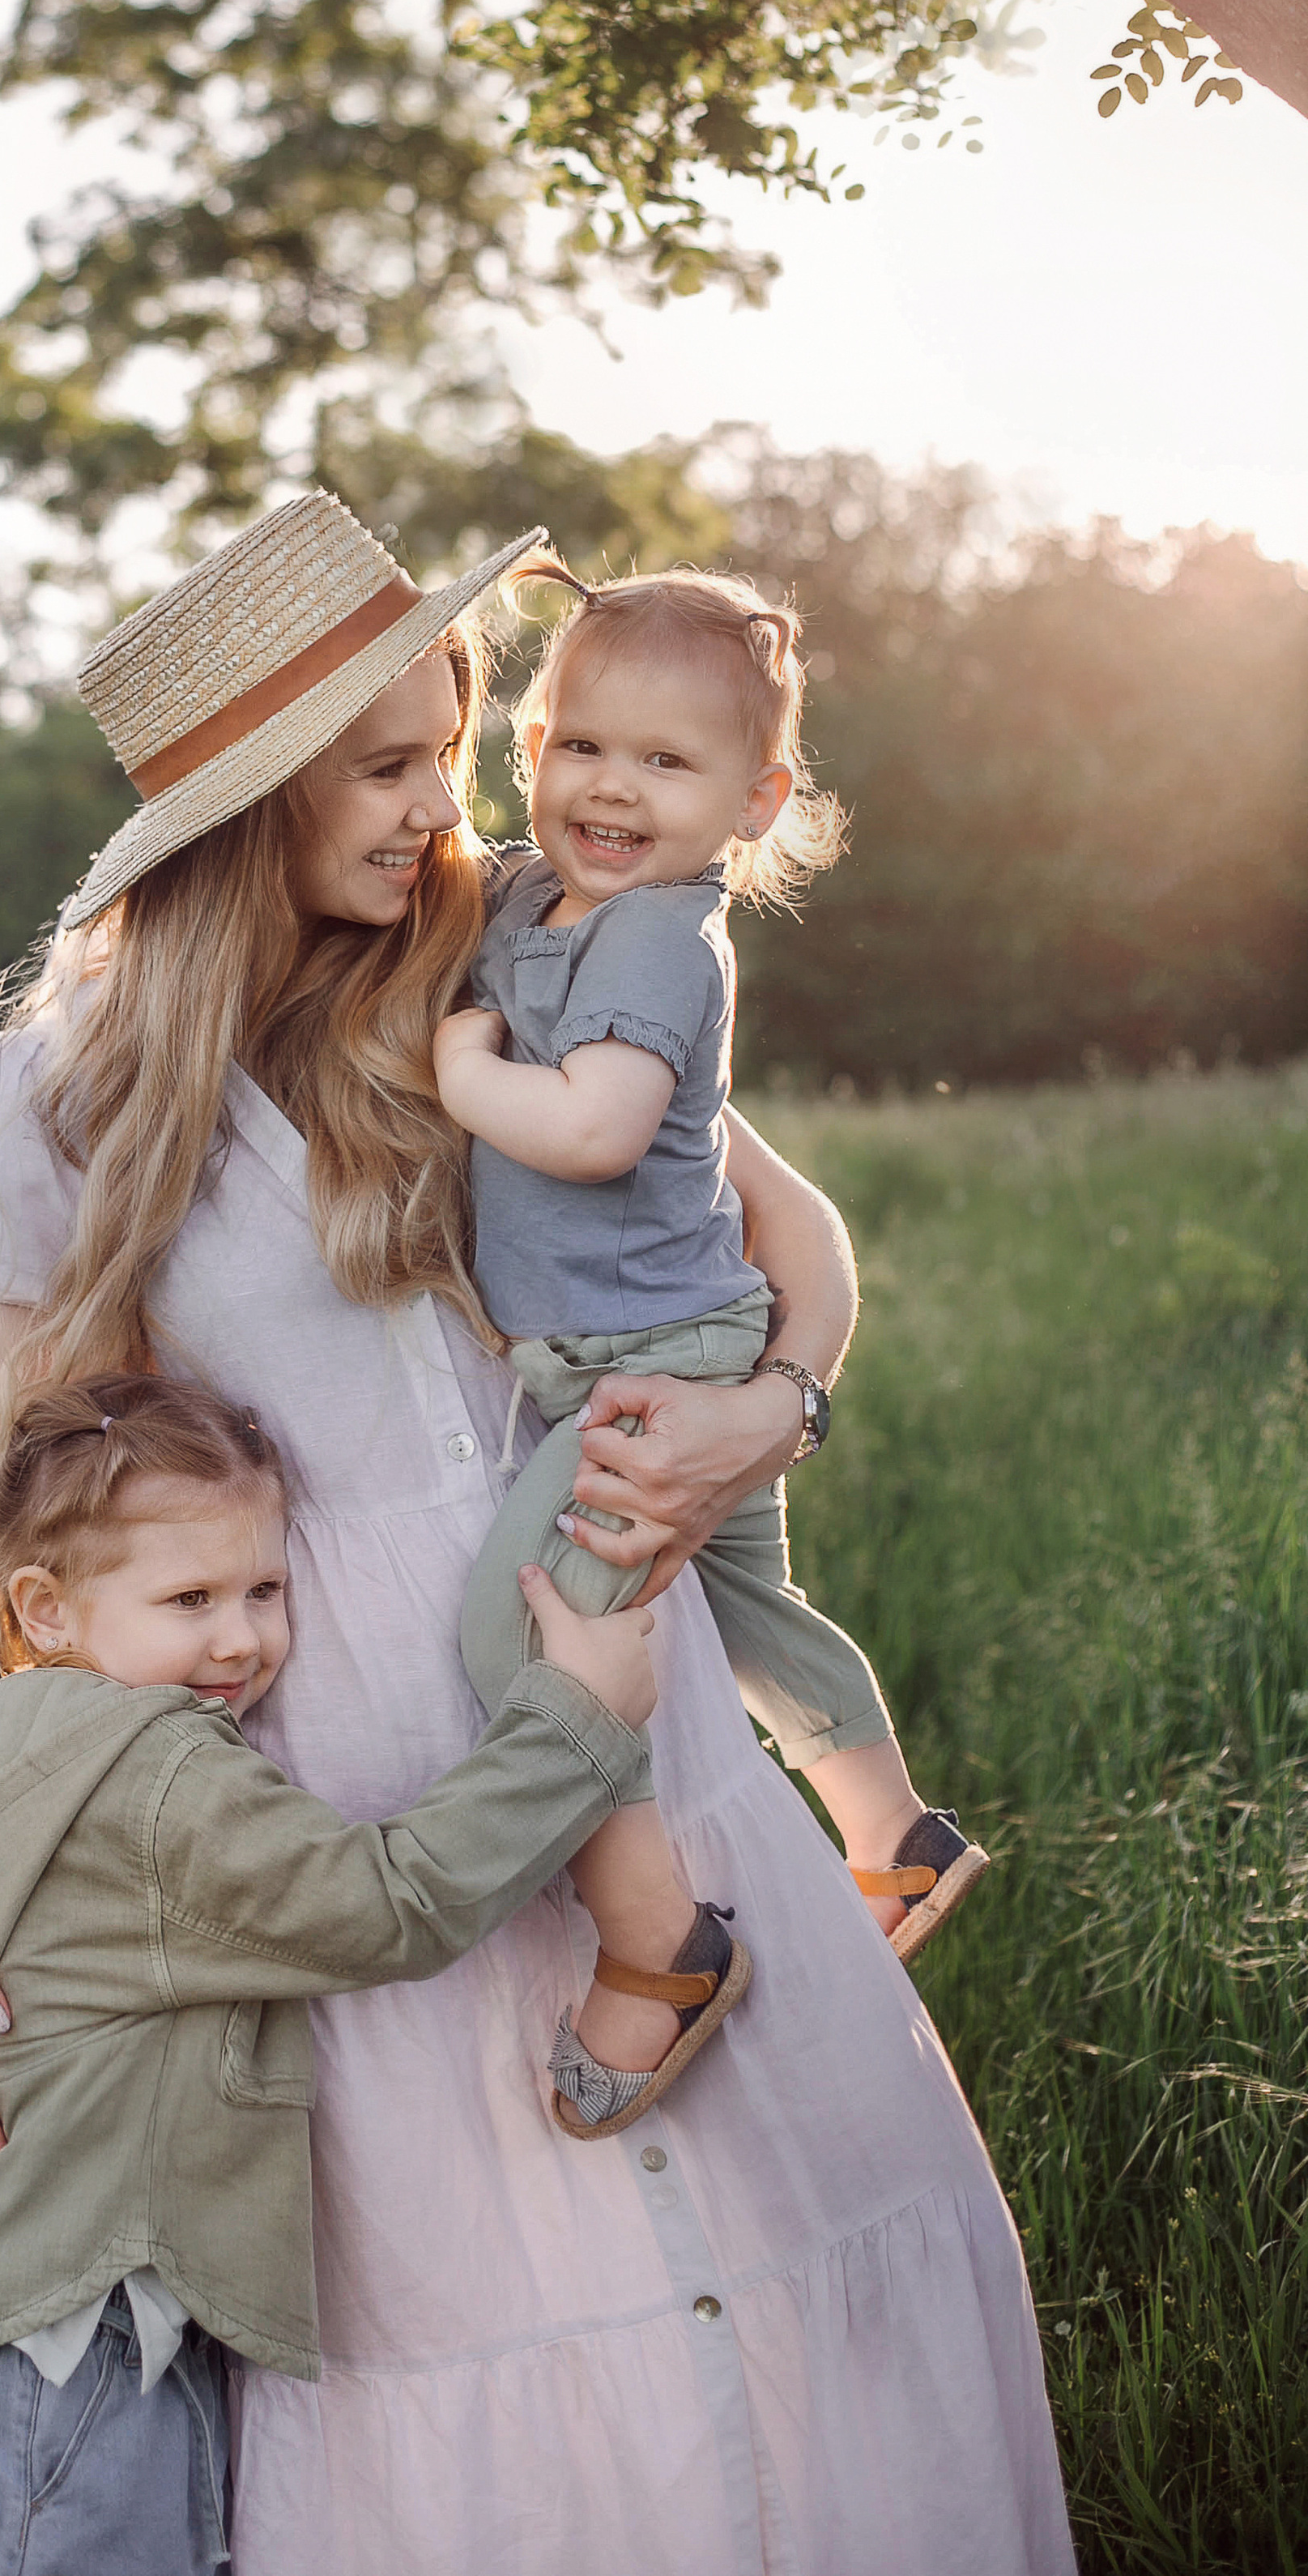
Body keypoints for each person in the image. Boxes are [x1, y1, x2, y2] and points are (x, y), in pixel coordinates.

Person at [0, 490, 1075, 2575]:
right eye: (395, 761)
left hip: (632, 1695)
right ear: (247, 803)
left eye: (452, 740)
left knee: (797, 2249)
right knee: (484, 2325)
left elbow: (792, 1235)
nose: (451, 804)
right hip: (352, 1796)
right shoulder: (48, 1103)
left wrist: (766, 1413)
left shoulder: (508, 953)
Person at [0, 1367, 661, 2576]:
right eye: (189, 1596)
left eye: (265, 1588)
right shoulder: (153, 1772)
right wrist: (572, 1725)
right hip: (75, 2341)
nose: (240, 1637)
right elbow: (382, 1905)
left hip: (16, 2313)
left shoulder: (12, 1729)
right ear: (44, 1606)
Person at [440, 563, 987, 2141]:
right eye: (580, 747)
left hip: (645, 1368)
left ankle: (656, 1947)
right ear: (530, 742)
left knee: (522, 1633)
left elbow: (599, 1131)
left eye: (666, 765)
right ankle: (892, 1829)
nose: (611, 788)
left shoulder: (661, 944)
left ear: (751, 803)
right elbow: (459, 878)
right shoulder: (544, 899)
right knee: (748, 1608)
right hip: (681, 1332)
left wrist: (456, 1070)